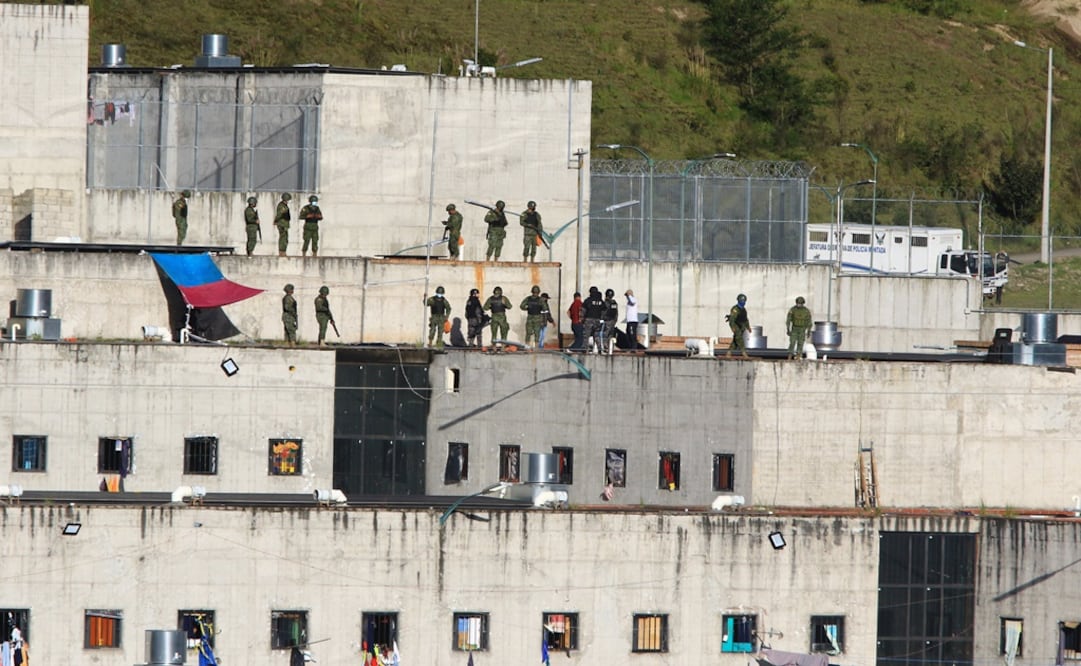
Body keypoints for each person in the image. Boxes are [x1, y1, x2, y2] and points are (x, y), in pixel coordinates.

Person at [582, 286, 606, 353]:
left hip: (589, 319)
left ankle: (585, 349)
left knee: (586, 335)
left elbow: (583, 310)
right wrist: (601, 318)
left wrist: (582, 318)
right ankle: (600, 349)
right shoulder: (601, 301)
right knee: (597, 335)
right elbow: (604, 310)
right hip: (597, 320)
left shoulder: (588, 300)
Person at [726, 293, 751, 357]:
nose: (743, 302)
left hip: (741, 326)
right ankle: (743, 352)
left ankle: (729, 352)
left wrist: (748, 327)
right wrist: (732, 327)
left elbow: (745, 319)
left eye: (744, 301)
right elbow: (732, 319)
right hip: (736, 325)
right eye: (742, 301)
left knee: (735, 341)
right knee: (739, 338)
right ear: (738, 301)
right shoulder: (735, 309)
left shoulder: (744, 310)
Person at [274, 192, 292, 257]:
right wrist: (276, 221)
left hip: (285, 224)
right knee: (283, 238)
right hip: (282, 224)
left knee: (285, 238)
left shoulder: (284, 205)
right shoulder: (281, 206)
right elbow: (279, 214)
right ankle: (282, 252)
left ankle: (283, 251)